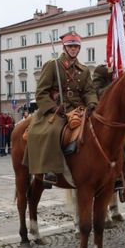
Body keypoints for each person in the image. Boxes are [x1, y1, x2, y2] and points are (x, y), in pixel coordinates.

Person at [23, 31, 98, 186]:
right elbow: (41, 91)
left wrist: (92, 103)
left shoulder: (83, 70)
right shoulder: (53, 65)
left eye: (76, 46)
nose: (73, 49)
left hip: (79, 108)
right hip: (58, 109)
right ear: (64, 47)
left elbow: (89, 91)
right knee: (53, 129)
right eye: (70, 46)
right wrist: (52, 108)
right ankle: (49, 170)